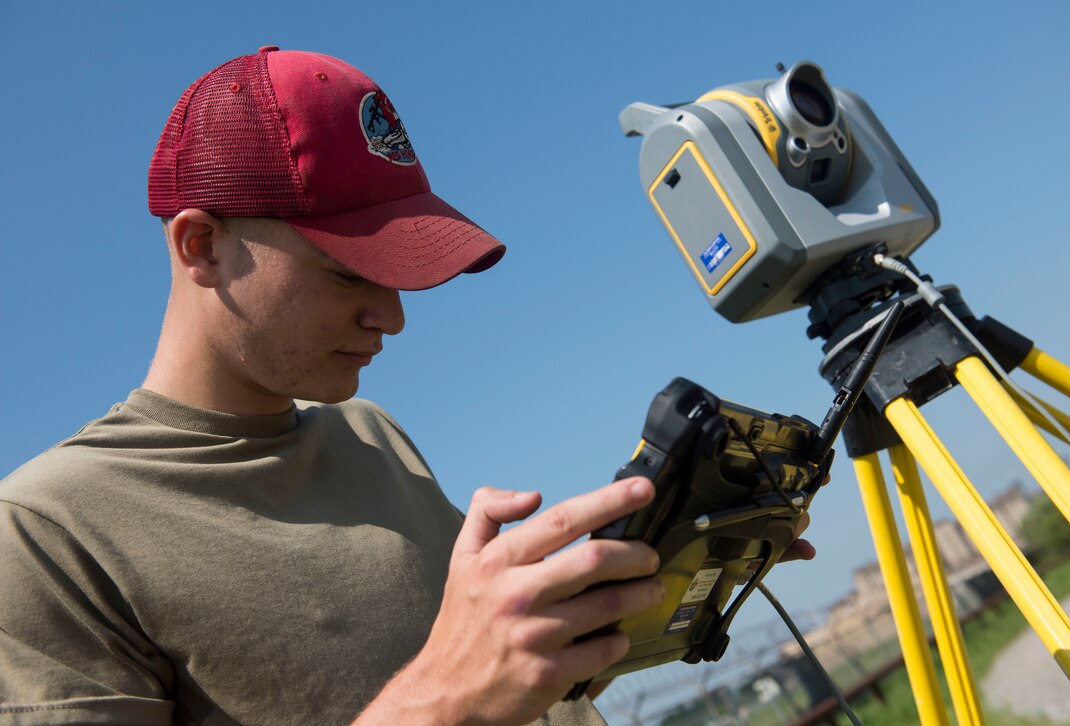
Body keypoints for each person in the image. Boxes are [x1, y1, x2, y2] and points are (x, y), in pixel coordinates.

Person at [0, 47, 813, 725]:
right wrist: (440, 701)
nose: (390, 317)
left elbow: (512, 695)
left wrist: (671, 575)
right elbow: (454, 696)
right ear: (202, 246)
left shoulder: (369, 433)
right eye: (349, 272)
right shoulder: (46, 533)